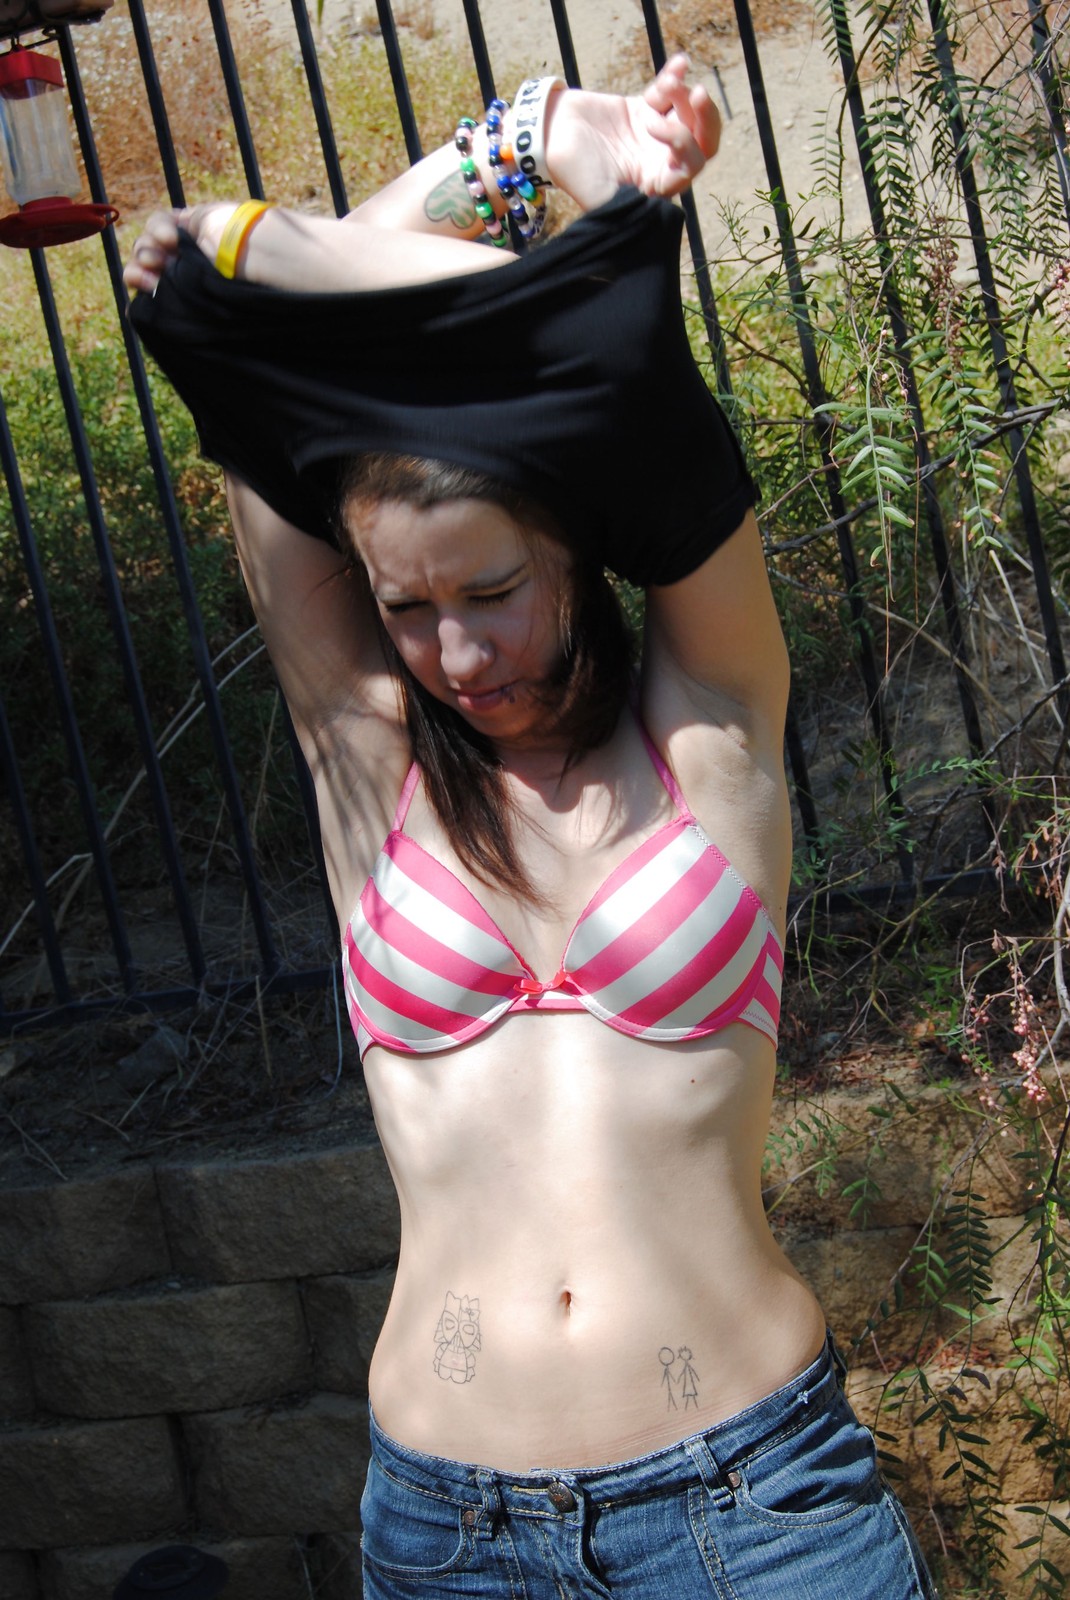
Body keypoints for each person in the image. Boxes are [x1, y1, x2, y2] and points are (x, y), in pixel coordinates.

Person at [124, 59, 938, 1599]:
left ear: (576, 551)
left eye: (492, 592)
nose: (454, 651)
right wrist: (515, 147)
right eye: (407, 608)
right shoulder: (367, 768)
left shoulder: (710, 737)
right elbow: (274, 367)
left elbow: (633, 412)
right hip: (454, 1536)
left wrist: (569, 151)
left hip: (756, 1508)